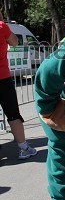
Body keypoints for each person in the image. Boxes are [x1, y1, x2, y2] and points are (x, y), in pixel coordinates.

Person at [0, 12, 37, 159]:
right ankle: (23, 148)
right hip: (2, 78)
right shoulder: (2, 26)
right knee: (13, 113)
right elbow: (15, 42)